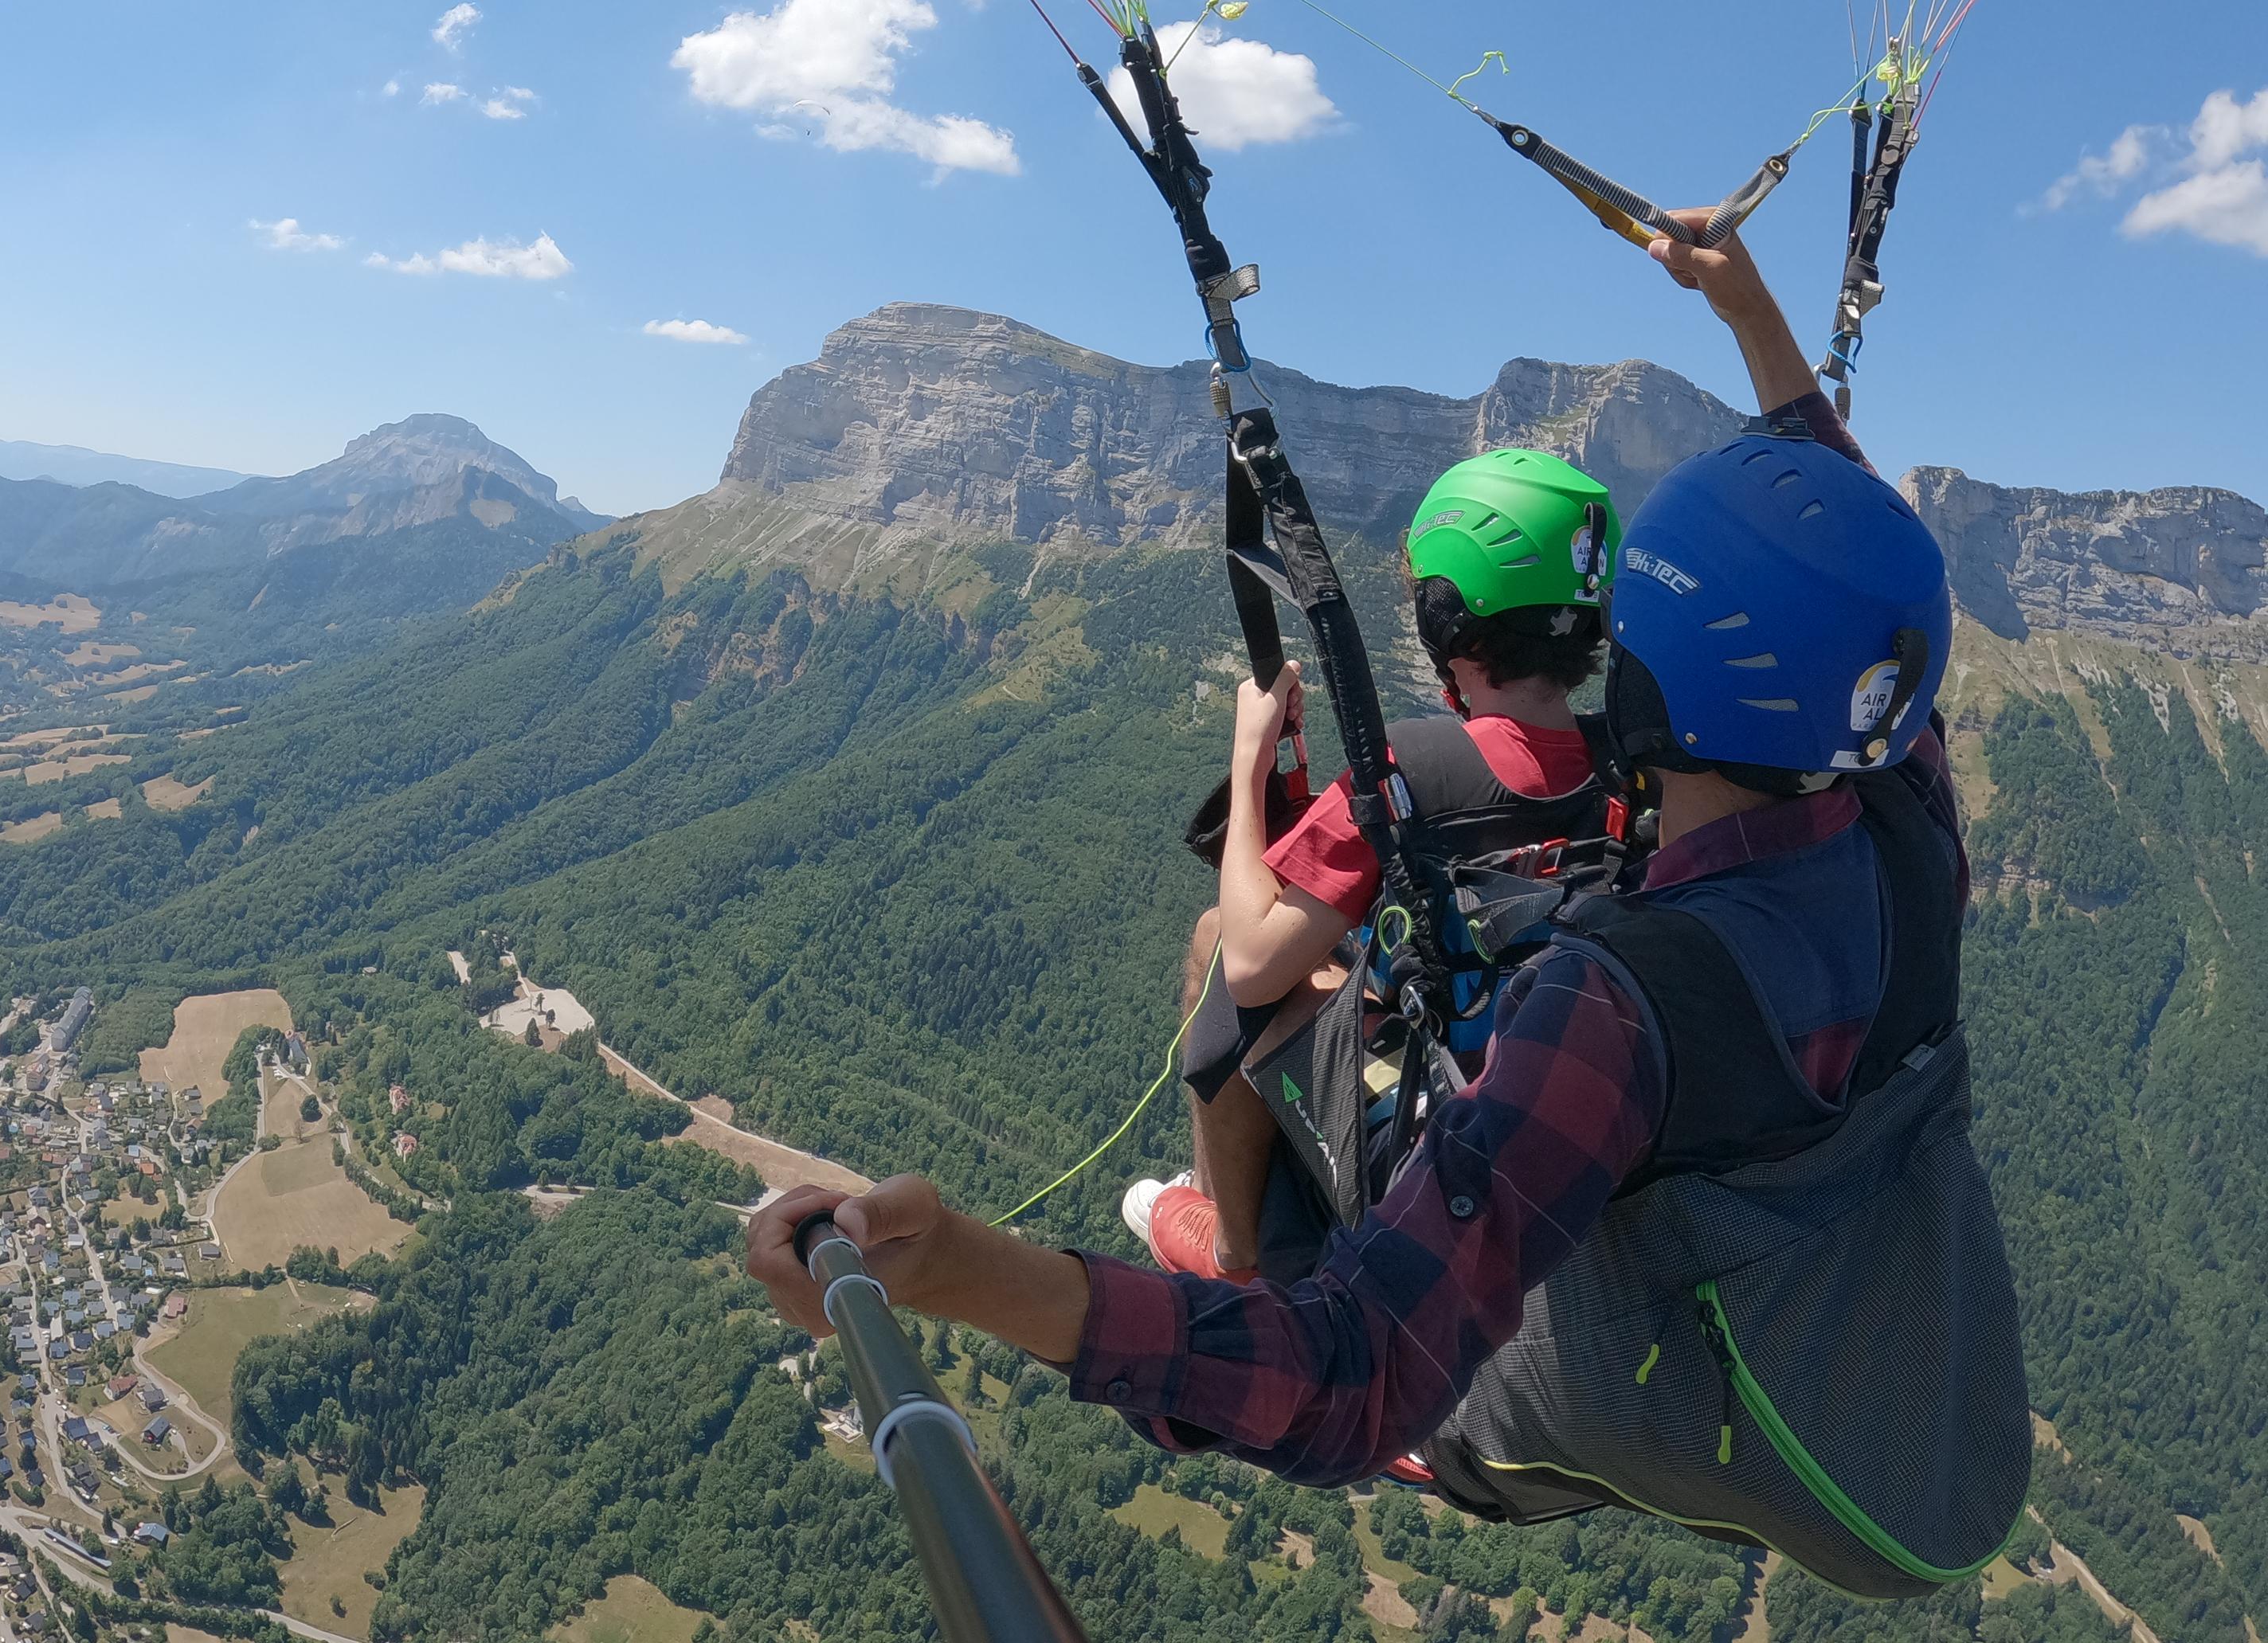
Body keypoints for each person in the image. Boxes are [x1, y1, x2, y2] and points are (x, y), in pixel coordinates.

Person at [746, 213, 1973, 1500]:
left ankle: (1230, 1237)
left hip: (1610, 1350)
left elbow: (1348, 1374)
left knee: (1231, 964)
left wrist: (955, 1266)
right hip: (1873, 1338)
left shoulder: (1615, 1016)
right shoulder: (1908, 825)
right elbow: (1871, 579)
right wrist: (1754, 318)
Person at [1126, 448, 1619, 1285]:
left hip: (1441, 1124)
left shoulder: (1411, 771)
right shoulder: (1625, 763)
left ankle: (1234, 1248)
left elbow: (1251, 967)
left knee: (1217, 939)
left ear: (1445, 613)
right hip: (1564, 1101)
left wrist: (1250, 767)